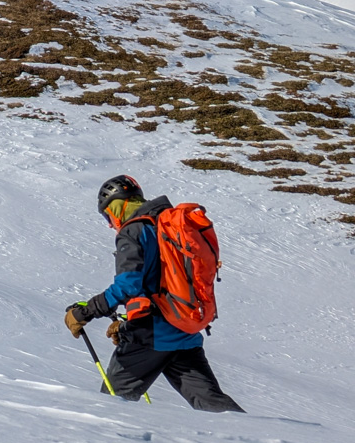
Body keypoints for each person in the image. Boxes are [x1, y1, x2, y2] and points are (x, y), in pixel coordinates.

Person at [64, 174, 244, 412]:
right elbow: (162, 282)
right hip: (184, 331)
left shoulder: (134, 231)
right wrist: (128, 321)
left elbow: (129, 285)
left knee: (112, 404)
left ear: (118, 206)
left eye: (108, 214)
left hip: (153, 336)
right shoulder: (167, 225)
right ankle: (261, 442)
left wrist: (86, 311)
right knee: (214, 405)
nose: (110, 223)